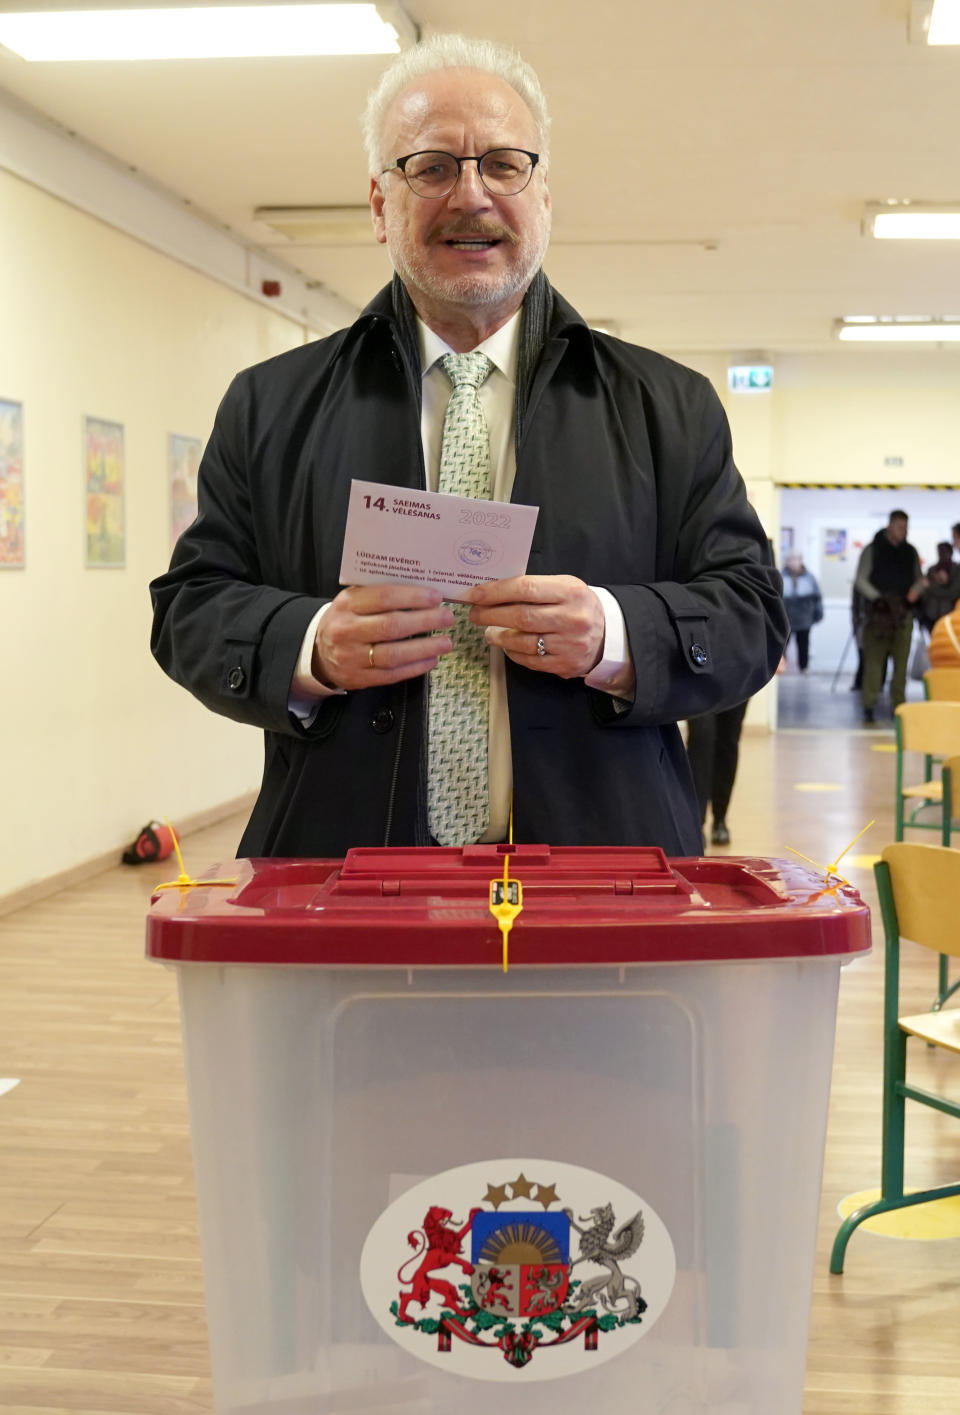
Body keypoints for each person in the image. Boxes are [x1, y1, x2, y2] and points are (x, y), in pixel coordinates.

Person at [149, 34, 787, 857]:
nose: (470, 195)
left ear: (545, 193)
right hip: (339, 887)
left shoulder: (671, 407)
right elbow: (190, 607)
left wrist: (615, 633)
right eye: (432, 167)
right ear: (381, 205)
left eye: (503, 164)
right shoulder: (269, 406)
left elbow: (753, 613)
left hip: (605, 890)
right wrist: (312, 644)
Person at [854, 511, 924, 725]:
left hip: (903, 616)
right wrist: (879, 599)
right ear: (890, 526)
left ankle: (898, 706)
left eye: (906, 527)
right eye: (901, 527)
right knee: (874, 664)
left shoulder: (910, 552)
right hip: (878, 616)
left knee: (901, 666)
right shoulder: (873, 549)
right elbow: (861, 580)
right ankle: (869, 706)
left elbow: (919, 580)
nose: (904, 531)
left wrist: (914, 593)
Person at [685, 701, 749, 846]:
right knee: (700, 740)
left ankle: (720, 818)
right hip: (698, 683)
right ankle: (696, 823)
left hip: (736, 682)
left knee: (728, 743)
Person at [781, 552, 822, 672]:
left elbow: (817, 597)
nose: (793, 562)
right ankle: (780, 666)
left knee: (803, 644)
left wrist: (818, 614)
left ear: (800, 561)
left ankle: (804, 667)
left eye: (795, 559)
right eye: (790, 559)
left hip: (804, 618)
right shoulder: (780, 576)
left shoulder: (809, 578)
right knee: (782, 644)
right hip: (785, 618)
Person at [917, 542, 960, 634]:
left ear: (950, 552)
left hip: (948, 615)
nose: (942, 554)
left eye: (945, 551)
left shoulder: (956, 570)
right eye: (940, 551)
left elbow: (952, 593)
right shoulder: (932, 570)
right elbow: (924, 590)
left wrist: (934, 586)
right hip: (930, 615)